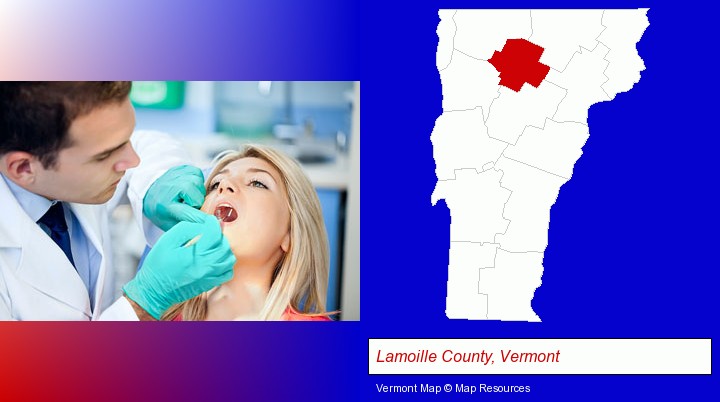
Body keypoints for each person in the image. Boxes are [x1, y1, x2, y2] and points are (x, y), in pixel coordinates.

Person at [0, 82, 235, 321]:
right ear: (23, 167)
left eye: (126, 139)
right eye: (105, 156)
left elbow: (145, 143)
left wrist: (157, 180)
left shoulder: (71, 156)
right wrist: (143, 303)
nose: (133, 160)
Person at [161, 144, 332, 321]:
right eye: (215, 184)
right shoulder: (157, 316)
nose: (224, 186)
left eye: (257, 183)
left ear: (290, 234)